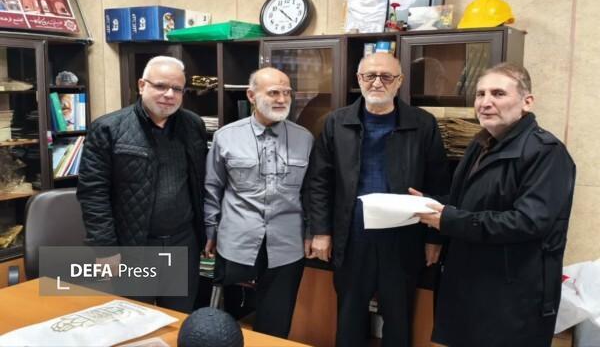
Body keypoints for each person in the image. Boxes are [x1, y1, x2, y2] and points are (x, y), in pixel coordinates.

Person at [415, 63, 576, 347]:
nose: (485, 102)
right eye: (480, 94)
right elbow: (466, 203)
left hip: (512, 296)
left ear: (527, 102)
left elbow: (528, 222)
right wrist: (429, 205)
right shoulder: (480, 144)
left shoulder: (547, 153)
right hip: (467, 284)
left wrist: (449, 219)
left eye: (498, 93)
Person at [306, 52, 450, 347]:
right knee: (349, 317)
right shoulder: (336, 123)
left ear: (399, 81)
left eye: (386, 76)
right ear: (359, 79)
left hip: (404, 239)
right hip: (351, 238)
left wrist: (434, 238)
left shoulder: (423, 124)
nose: (377, 82)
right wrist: (320, 231)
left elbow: (439, 182)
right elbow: (319, 182)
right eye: (369, 76)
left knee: (398, 319)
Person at [77, 56, 207, 313]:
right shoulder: (108, 128)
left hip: (183, 244)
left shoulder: (193, 125)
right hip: (133, 246)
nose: (169, 94)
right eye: (160, 86)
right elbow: (93, 193)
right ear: (141, 85)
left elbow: (199, 183)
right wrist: (105, 249)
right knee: (135, 319)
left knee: (179, 317)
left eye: (177, 89)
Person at [204, 67, 313, 338]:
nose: (282, 99)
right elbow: (213, 186)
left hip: (287, 244)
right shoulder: (226, 136)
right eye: (273, 92)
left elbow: (312, 192)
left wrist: (312, 233)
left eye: (287, 93)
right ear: (251, 96)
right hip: (236, 240)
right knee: (223, 320)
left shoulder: (305, 138)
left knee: (276, 322)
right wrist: (210, 231)